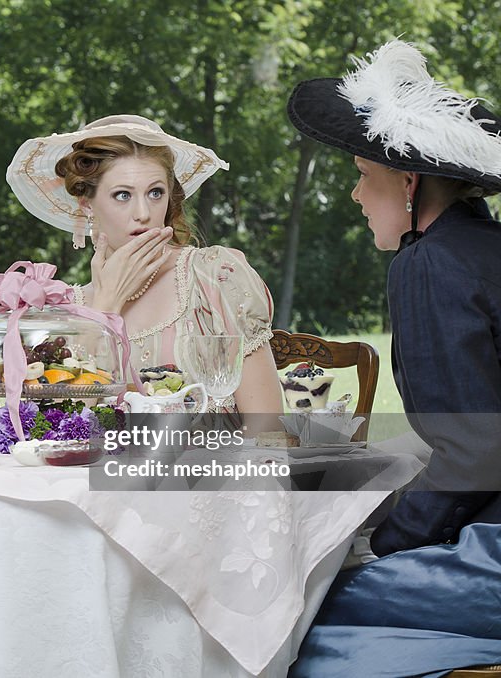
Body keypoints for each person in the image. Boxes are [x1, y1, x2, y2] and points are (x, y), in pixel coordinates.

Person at [286, 41, 501, 674]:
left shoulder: (430, 262)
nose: (355, 195)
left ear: (407, 183)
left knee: (284, 605)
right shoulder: (485, 248)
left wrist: (384, 542)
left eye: (362, 175)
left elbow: (477, 452)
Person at [7, 115, 282, 426]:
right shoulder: (70, 308)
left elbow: (268, 428)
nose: (143, 214)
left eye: (155, 193)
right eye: (122, 195)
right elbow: (62, 433)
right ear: (86, 203)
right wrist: (106, 306)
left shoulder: (213, 277)